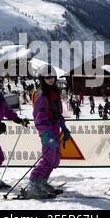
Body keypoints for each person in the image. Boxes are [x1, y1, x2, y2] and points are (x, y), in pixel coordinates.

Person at [22, 65, 72, 199]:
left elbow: (58, 114)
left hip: (55, 129)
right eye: (47, 77)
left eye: (52, 77)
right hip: (47, 133)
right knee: (48, 158)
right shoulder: (41, 96)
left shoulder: (54, 93)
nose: (50, 79)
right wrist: (48, 134)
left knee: (55, 159)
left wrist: (64, 128)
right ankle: (33, 183)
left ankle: (42, 182)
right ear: (42, 78)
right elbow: (39, 119)